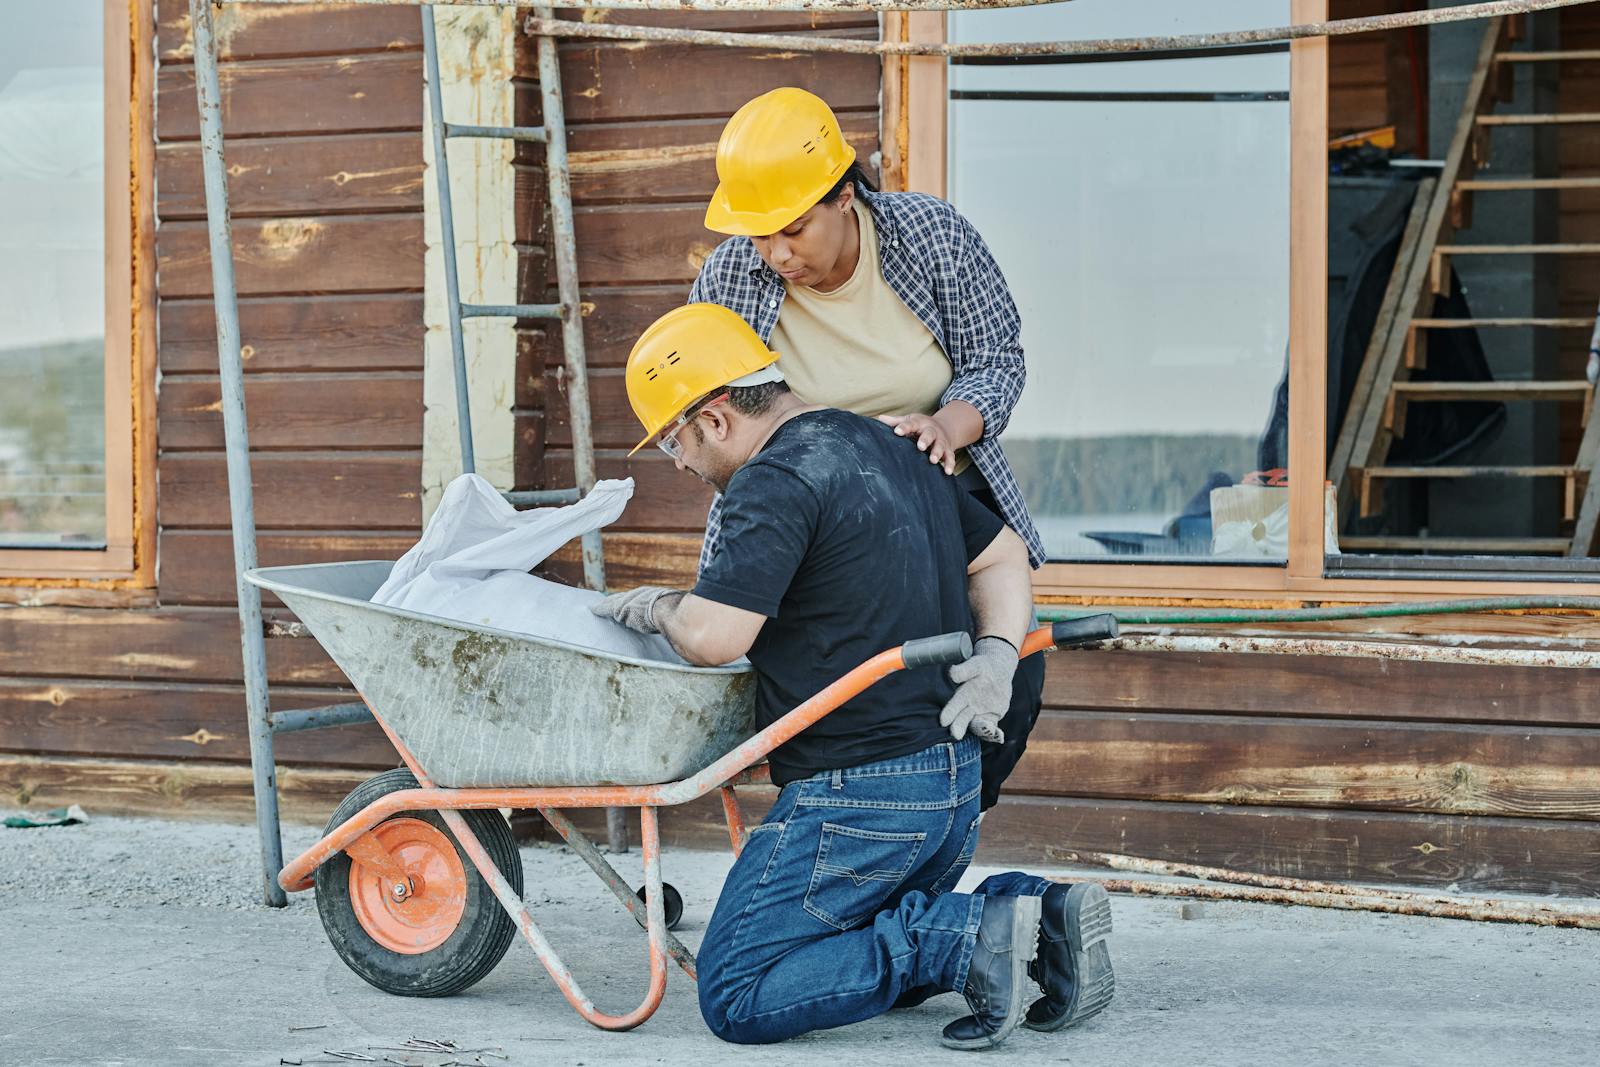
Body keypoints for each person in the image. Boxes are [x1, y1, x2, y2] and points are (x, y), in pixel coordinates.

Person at [592, 304, 1113, 1049]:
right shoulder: (894, 441)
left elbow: (713, 637)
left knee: (738, 989)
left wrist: (657, 604)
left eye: (673, 439)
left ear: (713, 418)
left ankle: (966, 934)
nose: (677, 461)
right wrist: (998, 652)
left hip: (860, 800)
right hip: (951, 790)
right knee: (849, 943)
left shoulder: (772, 480)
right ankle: (1040, 915)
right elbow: (1001, 554)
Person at [691, 87, 1046, 810]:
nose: (776, 253)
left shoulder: (932, 236)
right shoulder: (731, 276)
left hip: (938, 491)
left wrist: (949, 425)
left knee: (1004, 693)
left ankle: (939, 837)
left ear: (845, 196)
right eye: (758, 235)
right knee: (832, 701)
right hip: (812, 515)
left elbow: (998, 360)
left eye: (792, 229)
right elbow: (712, 412)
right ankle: (846, 843)